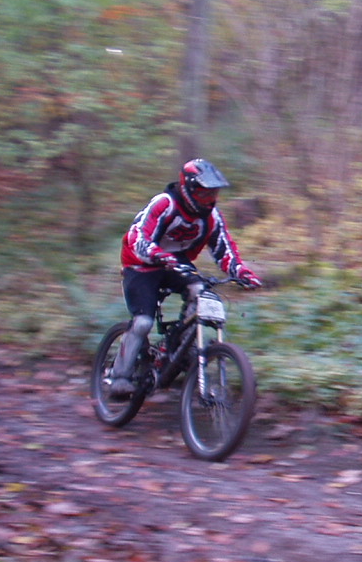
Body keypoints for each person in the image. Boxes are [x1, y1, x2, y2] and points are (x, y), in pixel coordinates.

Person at [108, 158, 263, 397]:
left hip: (175, 263)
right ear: (188, 189)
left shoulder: (212, 217)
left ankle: (182, 347)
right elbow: (138, 236)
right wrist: (157, 254)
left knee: (202, 294)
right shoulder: (165, 204)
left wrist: (240, 272)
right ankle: (119, 376)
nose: (209, 199)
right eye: (204, 194)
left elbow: (224, 250)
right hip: (141, 263)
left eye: (214, 194)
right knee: (143, 322)